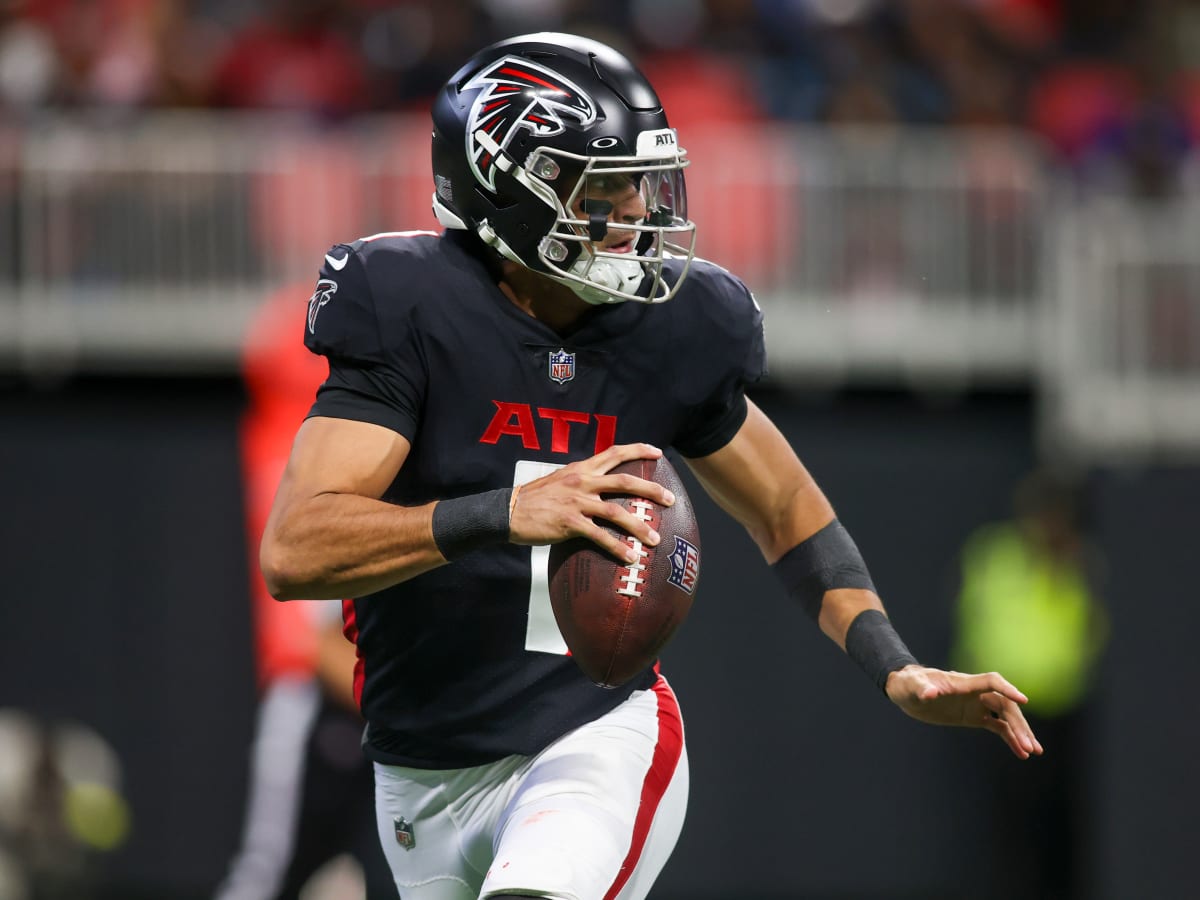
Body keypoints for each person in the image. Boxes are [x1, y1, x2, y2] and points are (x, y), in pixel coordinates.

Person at [259, 32, 1043, 900]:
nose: (638, 209)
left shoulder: (673, 326)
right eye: (606, 186)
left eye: (642, 180)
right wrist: (501, 512)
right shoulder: (409, 306)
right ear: (508, 187)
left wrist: (896, 664)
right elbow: (295, 552)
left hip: (588, 741)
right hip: (418, 775)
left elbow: (785, 506)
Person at [216, 283, 397, 900]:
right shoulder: (329, 453)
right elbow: (320, 644)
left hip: (375, 699)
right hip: (333, 703)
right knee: (272, 875)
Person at [949, 468, 1108, 900]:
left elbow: (1089, 634)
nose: (1048, 526)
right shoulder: (994, 556)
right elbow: (983, 625)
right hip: (1002, 714)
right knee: (1009, 826)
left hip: (1064, 715)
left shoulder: (1079, 564)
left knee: (1063, 826)